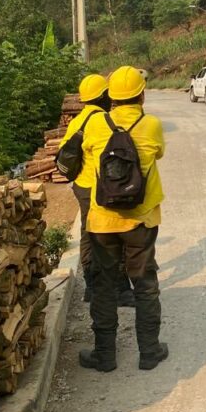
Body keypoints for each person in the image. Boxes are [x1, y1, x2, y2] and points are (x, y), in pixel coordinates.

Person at [80, 66, 169, 373]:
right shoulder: (152, 124)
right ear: (141, 95)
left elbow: (88, 159)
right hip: (140, 220)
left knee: (104, 285)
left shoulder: (94, 125)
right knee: (144, 284)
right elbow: (158, 154)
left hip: (102, 219)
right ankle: (149, 351)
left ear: (112, 97)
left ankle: (105, 356)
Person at [66, 74, 133, 306]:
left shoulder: (77, 122)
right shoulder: (105, 121)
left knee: (88, 233)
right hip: (100, 188)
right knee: (116, 234)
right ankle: (121, 288)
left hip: (81, 187)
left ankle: (91, 287)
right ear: (104, 96)